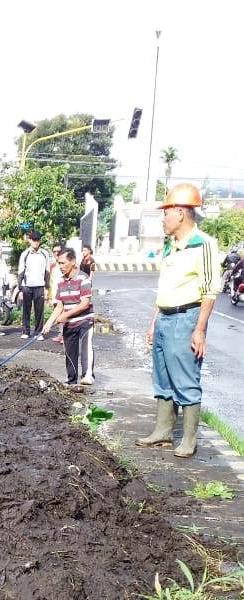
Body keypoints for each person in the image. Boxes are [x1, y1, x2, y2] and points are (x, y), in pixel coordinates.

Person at [136, 183, 220, 458]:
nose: (163, 219)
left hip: (186, 318)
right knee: (162, 379)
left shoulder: (203, 244)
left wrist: (199, 330)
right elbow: (165, 288)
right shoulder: (171, 246)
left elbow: (210, 291)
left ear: (181, 214)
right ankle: (162, 431)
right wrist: (153, 323)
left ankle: (189, 439)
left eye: (166, 213)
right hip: (165, 318)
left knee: (185, 379)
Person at [42, 248, 95, 385]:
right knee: (70, 351)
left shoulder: (83, 278)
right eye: (59, 263)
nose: (60, 266)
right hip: (69, 323)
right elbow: (59, 305)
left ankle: (88, 375)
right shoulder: (61, 282)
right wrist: (49, 323)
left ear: (72, 262)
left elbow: (84, 304)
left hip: (84, 320)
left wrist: (66, 315)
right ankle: (72, 379)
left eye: (63, 263)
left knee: (85, 346)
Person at [18, 230, 50, 340]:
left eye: (38, 240)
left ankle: (38, 332)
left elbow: (47, 272)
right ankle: (26, 331)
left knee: (39, 311)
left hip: (40, 286)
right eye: (34, 240)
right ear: (30, 240)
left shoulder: (44, 254)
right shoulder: (25, 254)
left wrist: (47, 287)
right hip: (27, 286)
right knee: (26, 310)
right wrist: (20, 289)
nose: (36, 242)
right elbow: (21, 272)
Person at [49, 243, 64, 344]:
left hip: (63, 296)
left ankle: (64, 336)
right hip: (55, 294)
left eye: (58, 251)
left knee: (64, 316)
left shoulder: (64, 264)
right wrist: (49, 296)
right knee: (58, 316)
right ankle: (60, 334)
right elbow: (50, 281)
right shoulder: (53, 265)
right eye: (54, 251)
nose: (56, 253)